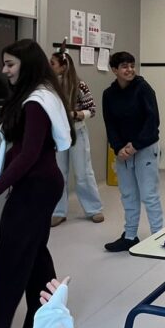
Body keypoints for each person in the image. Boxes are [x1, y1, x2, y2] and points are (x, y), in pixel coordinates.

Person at [0, 39, 72, 328]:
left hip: (37, 188)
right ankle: (46, 321)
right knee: (34, 254)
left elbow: (28, 156)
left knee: (10, 262)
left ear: (28, 65)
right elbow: (19, 150)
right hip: (41, 185)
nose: (5, 70)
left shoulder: (36, 102)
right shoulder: (38, 96)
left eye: (10, 64)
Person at [101, 51, 163, 252]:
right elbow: (110, 124)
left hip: (145, 148)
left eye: (131, 65)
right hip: (123, 153)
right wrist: (118, 147)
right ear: (114, 70)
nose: (129, 70)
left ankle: (158, 236)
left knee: (149, 194)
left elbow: (152, 121)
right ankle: (130, 236)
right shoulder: (109, 94)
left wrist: (135, 145)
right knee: (128, 195)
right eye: (124, 66)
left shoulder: (143, 88)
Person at [49, 49, 105, 226]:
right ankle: (58, 211)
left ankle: (94, 209)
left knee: (83, 172)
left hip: (77, 132)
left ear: (63, 66)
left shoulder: (79, 85)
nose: (49, 67)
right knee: (58, 173)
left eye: (52, 64)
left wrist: (76, 114)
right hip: (57, 134)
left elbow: (92, 110)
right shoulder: (49, 86)